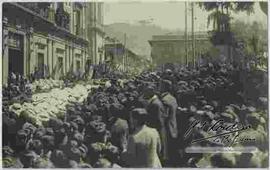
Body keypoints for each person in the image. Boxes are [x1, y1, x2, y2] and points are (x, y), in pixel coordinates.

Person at [144, 83, 168, 164]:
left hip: (157, 131)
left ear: (151, 92)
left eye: (146, 92)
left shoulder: (155, 104)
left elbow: (159, 121)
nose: (144, 94)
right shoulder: (154, 102)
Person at [160, 79, 179, 166]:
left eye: (160, 85)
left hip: (166, 126)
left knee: (166, 148)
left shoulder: (165, 100)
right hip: (173, 124)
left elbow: (165, 115)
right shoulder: (173, 98)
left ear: (164, 87)